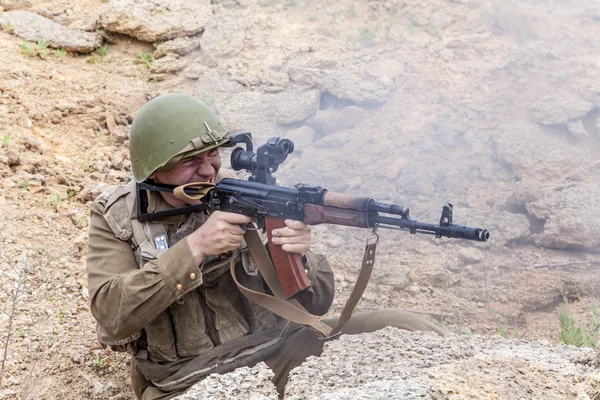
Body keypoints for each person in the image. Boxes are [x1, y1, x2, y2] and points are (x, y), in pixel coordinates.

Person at [86, 93, 445, 400]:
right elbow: (111, 315)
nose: (208, 170)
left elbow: (317, 304)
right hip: (187, 379)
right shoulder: (118, 216)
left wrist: (300, 256)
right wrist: (194, 248)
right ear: (154, 171)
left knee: (406, 326)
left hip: (281, 347)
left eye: (212, 155)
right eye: (189, 162)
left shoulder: (242, 195)